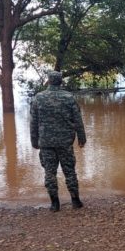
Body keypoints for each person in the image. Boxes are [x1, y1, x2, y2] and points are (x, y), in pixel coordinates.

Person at [30, 71, 87, 212]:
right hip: (65, 142)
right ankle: (76, 201)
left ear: (48, 81)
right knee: (70, 172)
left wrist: (34, 141)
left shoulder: (39, 98)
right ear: (61, 82)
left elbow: (33, 122)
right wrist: (82, 138)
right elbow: (78, 120)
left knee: (49, 173)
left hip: (46, 142)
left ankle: (55, 204)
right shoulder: (69, 97)